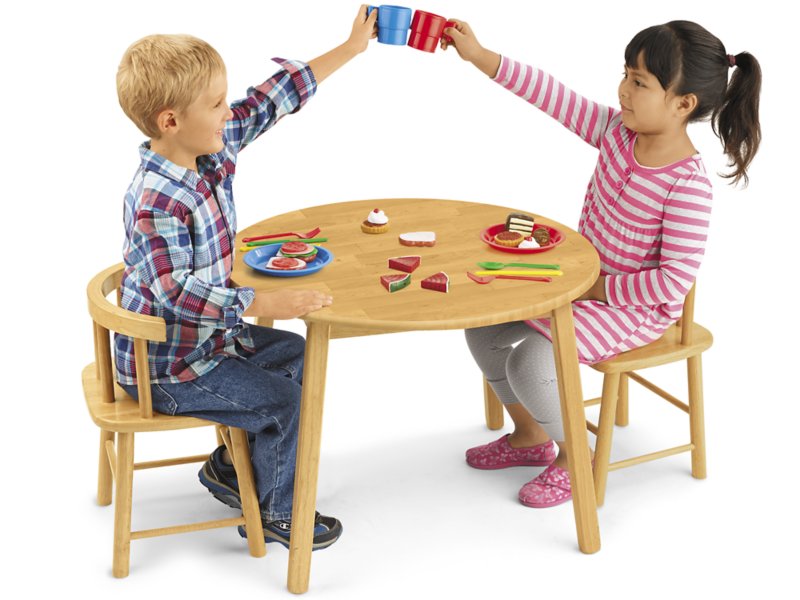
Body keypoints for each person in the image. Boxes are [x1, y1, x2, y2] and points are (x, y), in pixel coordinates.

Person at [442, 20, 761, 507]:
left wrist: (595, 289)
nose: (624, 91)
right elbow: (552, 94)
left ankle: (576, 459)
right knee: (482, 329)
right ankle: (529, 435)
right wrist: (480, 55)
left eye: (640, 83)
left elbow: (672, 283)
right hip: (579, 285)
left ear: (683, 104)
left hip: (633, 309)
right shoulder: (616, 132)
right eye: (625, 75)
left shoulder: (687, 186)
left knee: (531, 361)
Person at [113, 6, 378, 549]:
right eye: (215, 104)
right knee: (282, 402)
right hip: (169, 367)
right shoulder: (157, 198)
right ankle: (280, 512)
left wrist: (350, 48)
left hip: (211, 342)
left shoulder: (206, 148)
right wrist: (262, 300)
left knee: (297, 355)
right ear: (171, 121)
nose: (226, 112)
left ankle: (230, 467)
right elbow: (174, 292)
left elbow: (267, 101)